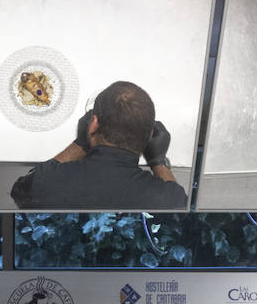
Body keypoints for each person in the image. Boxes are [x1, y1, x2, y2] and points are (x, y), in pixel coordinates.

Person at [10, 80, 187, 210]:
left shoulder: (48, 182)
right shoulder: (165, 198)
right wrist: (158, 162)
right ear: (150, 136)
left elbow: (20, 191)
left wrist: (80, 143)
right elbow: (179, 204)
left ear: (93, 125)